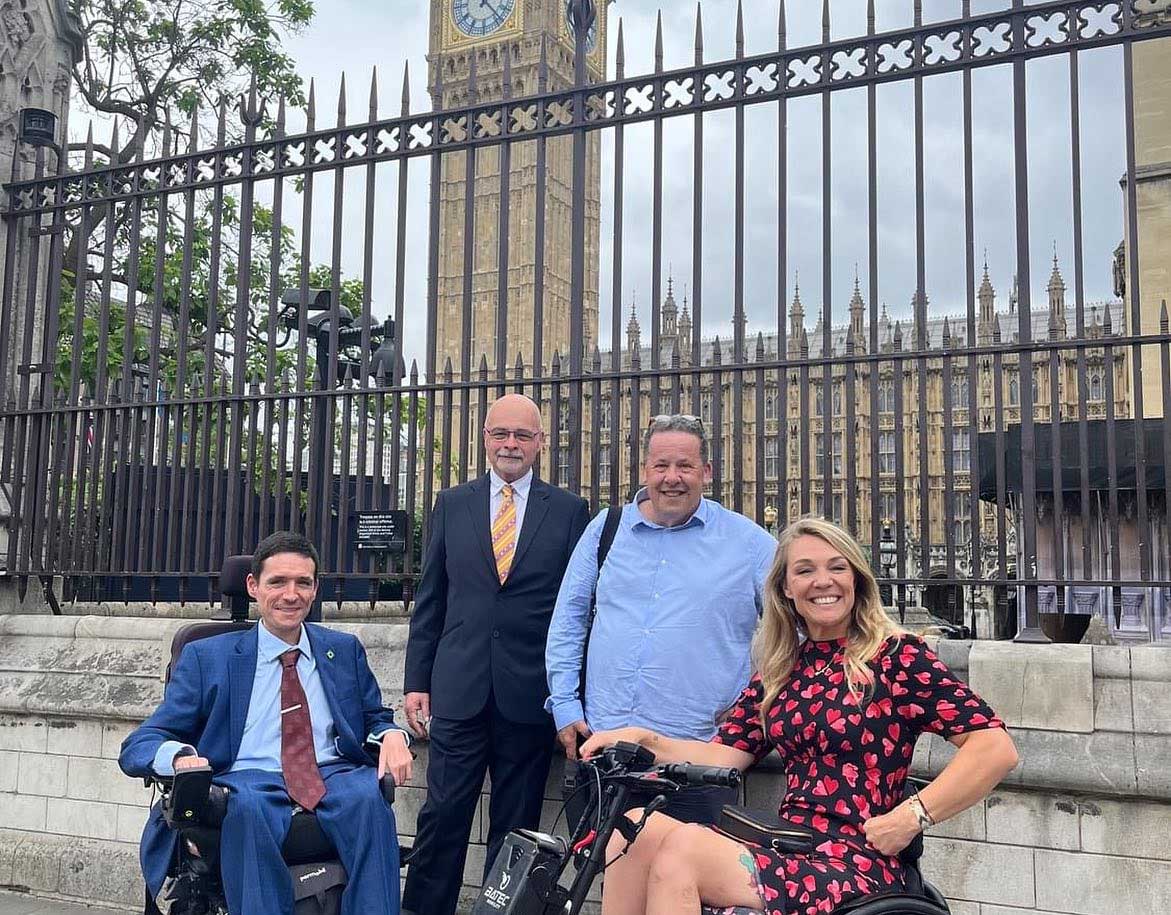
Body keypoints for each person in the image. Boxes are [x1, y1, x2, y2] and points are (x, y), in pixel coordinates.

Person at [580, 516, 1019, 915]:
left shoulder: (895, 657)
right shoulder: (784, 668)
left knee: (683, 853)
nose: (822, 581)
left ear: (856, 579)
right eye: (805, 570)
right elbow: (723, 755)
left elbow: (994, 748)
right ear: (786, 588)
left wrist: (911, 817)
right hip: (788, 843)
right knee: (633, 831)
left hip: (858, 858)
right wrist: (644, 739)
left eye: (837, 567)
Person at [119, 531, 412, 915]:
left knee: (369, 798)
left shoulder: (342, 650)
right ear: (253, 586)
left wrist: (392, 735)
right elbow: (142, 742)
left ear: (315, 589)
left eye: (302, 583)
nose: (291, 595)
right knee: (248, 809)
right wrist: (179, 758)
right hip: (247, 778)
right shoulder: (207, 656)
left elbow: (374, 716)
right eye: (278, 582)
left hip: (331, 773)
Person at [401, 393, 590, 915]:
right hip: (458, 688)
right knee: (442, 816)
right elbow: (431, 599)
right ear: (485, 438)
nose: (511, 444)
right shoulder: (451, 504)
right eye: (501, 433)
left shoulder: (569, 511)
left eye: (523, 435)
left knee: (516, 829)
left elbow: (579, 611)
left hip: (529, 694)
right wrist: (416, 682)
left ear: (540, 443)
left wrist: (572, 696)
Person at [545, 413, 779, 824]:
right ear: (645, 470)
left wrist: (755, 703)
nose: (672, 478)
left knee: (689, 865)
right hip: (604, 751)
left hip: (696, 759)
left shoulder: (750, 543)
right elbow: (568, 619)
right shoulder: (605, 529)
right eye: (662, 466)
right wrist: (564, 704)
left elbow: (797, 631)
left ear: (707, 471)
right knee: (603, 863)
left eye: (685, 466)